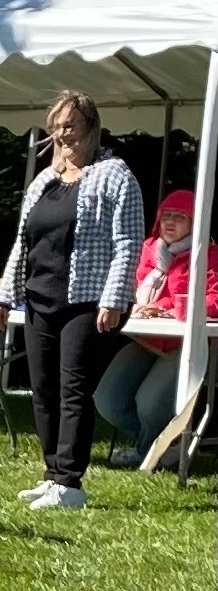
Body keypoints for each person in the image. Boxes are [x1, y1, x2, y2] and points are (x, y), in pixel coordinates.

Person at [0, 90, 144, 510]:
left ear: (92, 129)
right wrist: (6, 295)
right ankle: (52, 474)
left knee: (73, 389)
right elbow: (23, 242)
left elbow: (128, 242)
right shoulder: (44, 181)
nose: (63, 136)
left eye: (71, 127)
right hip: (40, 298)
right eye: (57, 128)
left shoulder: (115, 176)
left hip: (88, 301)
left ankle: (71, 483)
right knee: (43, 390)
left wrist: (114, 299)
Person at [94, 189, 218, 468]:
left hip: (185, 344)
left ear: (195, 223)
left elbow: (214, 300)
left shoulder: (207, 254)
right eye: (166, 216)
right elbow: (127, 288)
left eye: (180, 217)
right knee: (107, 400)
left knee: (149, 403)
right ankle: (161, 448)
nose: (170, 223)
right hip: (146, 338)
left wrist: (171, 309)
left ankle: (147, 454)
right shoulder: (147, 249)